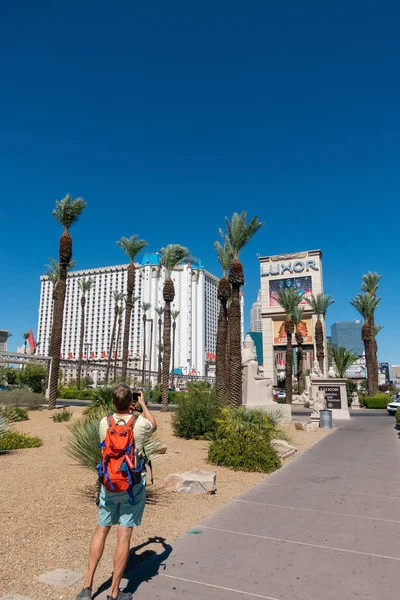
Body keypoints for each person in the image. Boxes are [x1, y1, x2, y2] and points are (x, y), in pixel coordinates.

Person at [76, 384, 157, 600]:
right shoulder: (140, 424)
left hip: (109, 484)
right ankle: (113, 593)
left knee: (101, 530)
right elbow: (154, 425)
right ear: (131, 402)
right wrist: (143, 405)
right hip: (132, 486)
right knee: (124, 535)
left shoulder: (105, 422)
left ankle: (87, 588)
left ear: (113, 402)